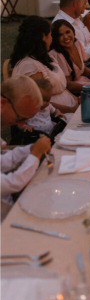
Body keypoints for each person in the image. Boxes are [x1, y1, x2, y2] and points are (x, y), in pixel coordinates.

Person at [1, 76, 51, 220]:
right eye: (20, 118)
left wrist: (29, 150)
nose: (23, 123)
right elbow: (12, 183)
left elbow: (3, 161)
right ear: (3, 103)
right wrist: (35, 155)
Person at [10, 16, 79, 113]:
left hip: (70, 105)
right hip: (54, 116)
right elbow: (40, 103)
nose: (51, 39)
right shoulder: (29, 66)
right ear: (43, 37)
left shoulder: (45, 56)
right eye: (50, 35)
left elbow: (62, 87)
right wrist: (71, 110)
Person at [49, 20, 90, 95]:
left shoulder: (77, 44)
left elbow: (82, 69)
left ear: (73, 31)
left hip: (83, 83)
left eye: (67, 32)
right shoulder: (57, 54)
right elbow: (68, 85)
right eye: (60, 35)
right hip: (73, 92)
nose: (65, 37)